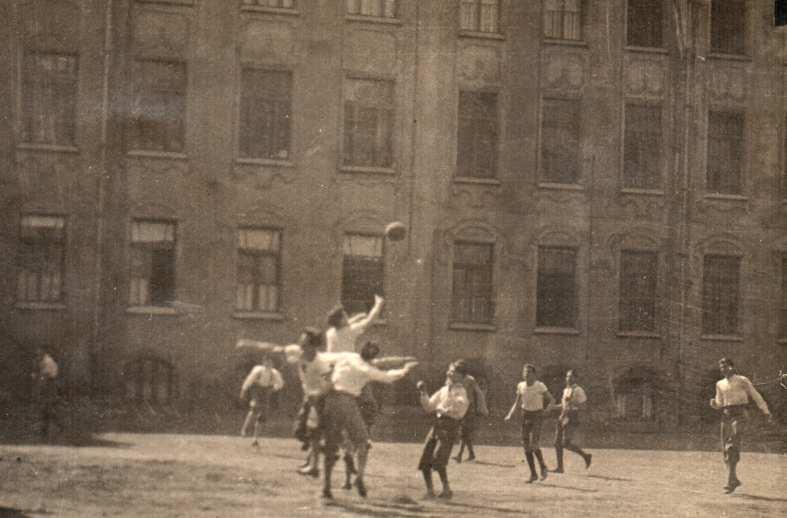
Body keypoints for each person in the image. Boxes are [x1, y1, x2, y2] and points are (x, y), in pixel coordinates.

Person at [320, 342, 418, 500]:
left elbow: (324, 358)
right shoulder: (366, 368)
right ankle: (358, 477)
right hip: (348, 402)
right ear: (372, 357)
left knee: (333, 444)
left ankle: (327, 486)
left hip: (332, 401)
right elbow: (386, 376)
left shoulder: (349, 356)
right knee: (362, 442)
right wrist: (405, 369)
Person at [709, 357, 773, 493]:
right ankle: (733, 479)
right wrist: (715, 404)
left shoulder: (742, 380)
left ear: (732, 366)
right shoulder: (719, 384)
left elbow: (756, 395)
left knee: (732, 444)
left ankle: (729, 481)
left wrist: (765, 411)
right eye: (721, 367)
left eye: (726, 366)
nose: (724, 369)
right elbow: (720, 403)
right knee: (726, 449)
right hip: (726, 415)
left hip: (740, 414)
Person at [417, 361, 470, 500]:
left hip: (449, 427)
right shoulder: (444, 389)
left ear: (460, 375)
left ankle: (446, 489)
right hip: (437, 426)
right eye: (449, 370)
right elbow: (429, 407)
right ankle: (430, 491)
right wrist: (423, 392)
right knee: (425, 459)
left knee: (438, 459)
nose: (448, 373)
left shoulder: (460, 391)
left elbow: (461, 408)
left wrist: (444, 410)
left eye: (452, 371)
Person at [504, 363, 554, 483]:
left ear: (534, 375)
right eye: (525, 372)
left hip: (537, 415)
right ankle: (533, 474)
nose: (526, 374)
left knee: (534, 444)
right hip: (525, 415)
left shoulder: (539, 385)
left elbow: (552, 399)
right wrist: (510, 414)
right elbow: (517, 402)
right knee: (526, 446)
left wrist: (548, 409)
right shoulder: (520, 385)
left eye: (529, 372)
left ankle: (543, 467)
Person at [551, 369, 592, 474]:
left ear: (575, 378)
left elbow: (584, 405)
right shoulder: (565, 390)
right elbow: (563, 405)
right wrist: (552, 407)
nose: (568, 378)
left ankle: (585, 456)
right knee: (556, 443)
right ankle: (560, 467)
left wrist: (572, 404)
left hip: (572, 417)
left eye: (570, 376)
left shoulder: (578, 390)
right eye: (567, 376)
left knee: (565, 443)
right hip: (562, 416)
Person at [239, 355, 284, 447]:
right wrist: (243, 391)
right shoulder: (258, 370)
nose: (269, 364)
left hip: (266, 390)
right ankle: (244, 429)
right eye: (267, 362)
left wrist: (273, 389)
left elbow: (280, 384)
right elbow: (249, 380)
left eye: (271, 362)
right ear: (264, 362)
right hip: (256, 388)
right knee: (255, 408)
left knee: (263, 415)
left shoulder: (274, 373)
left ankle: (255, 439)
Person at [453, 369, 488, 463]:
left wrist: (482, 408)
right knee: (465, 432)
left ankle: (459, 455)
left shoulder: (470, 380)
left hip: (469, 408)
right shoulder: (458, 380)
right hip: (461, 407)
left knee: (464, 431)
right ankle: (471, 454)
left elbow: (479, 393)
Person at [31, 347, 61, 441]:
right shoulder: (43, 361)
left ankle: (55, 429)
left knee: (48, 408)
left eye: (39, 352)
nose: (37, 354)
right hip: (47, 386)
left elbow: (46, 376)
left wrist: (39, 386)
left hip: (49, 386)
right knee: (45, 409)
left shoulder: (48, 362)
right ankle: (45, 430)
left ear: (43, 351)